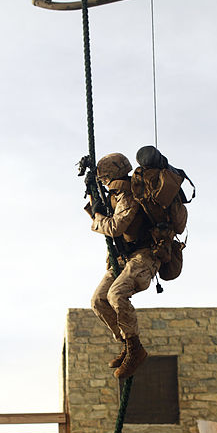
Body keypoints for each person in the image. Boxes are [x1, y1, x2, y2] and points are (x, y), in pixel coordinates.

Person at [84, 152, 161, 379]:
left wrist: (97, 217)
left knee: (116, 295)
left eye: (104, 179)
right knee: (98, 300)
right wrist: (93, 197)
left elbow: (115, 227)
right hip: (125, 256)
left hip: (145, 255)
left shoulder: (129, 194)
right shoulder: (115, 196)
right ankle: (127, 344)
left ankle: (135, 349)